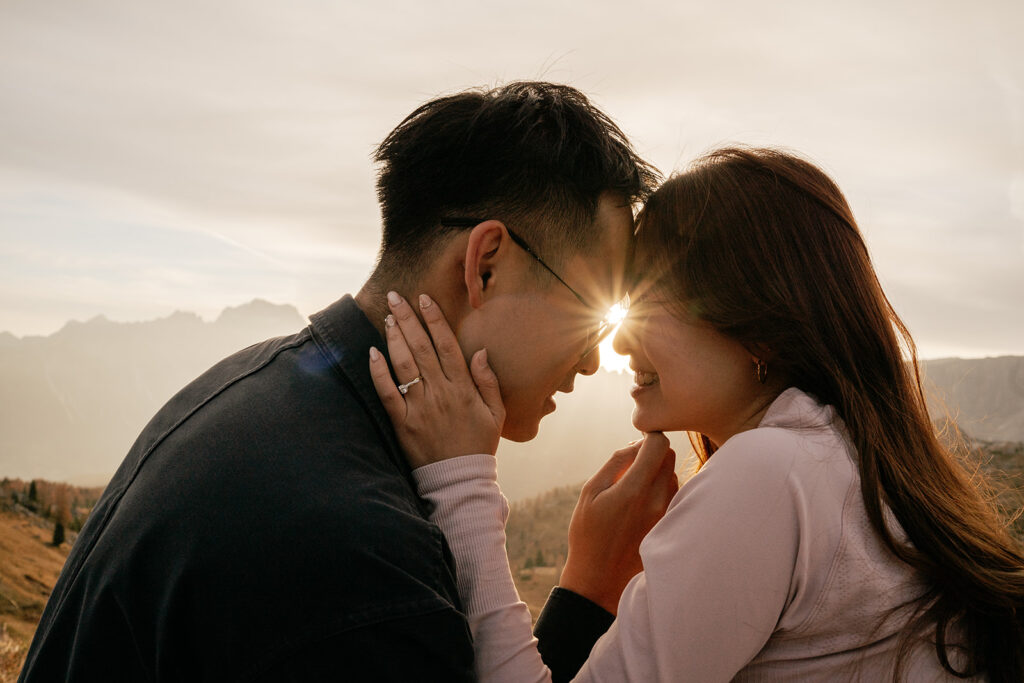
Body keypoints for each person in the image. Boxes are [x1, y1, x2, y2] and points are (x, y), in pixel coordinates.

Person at [18, 81, 658, 681]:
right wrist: (585, 597)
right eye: (592, 309)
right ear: (485, 266)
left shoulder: (258, 389)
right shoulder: (358, 554)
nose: (594, 362)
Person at [370, 147, 1024, 682]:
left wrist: (462, 484)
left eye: (655, 302)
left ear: (759, 327)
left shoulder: (771, 473)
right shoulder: (847, 462)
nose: (620, 342)